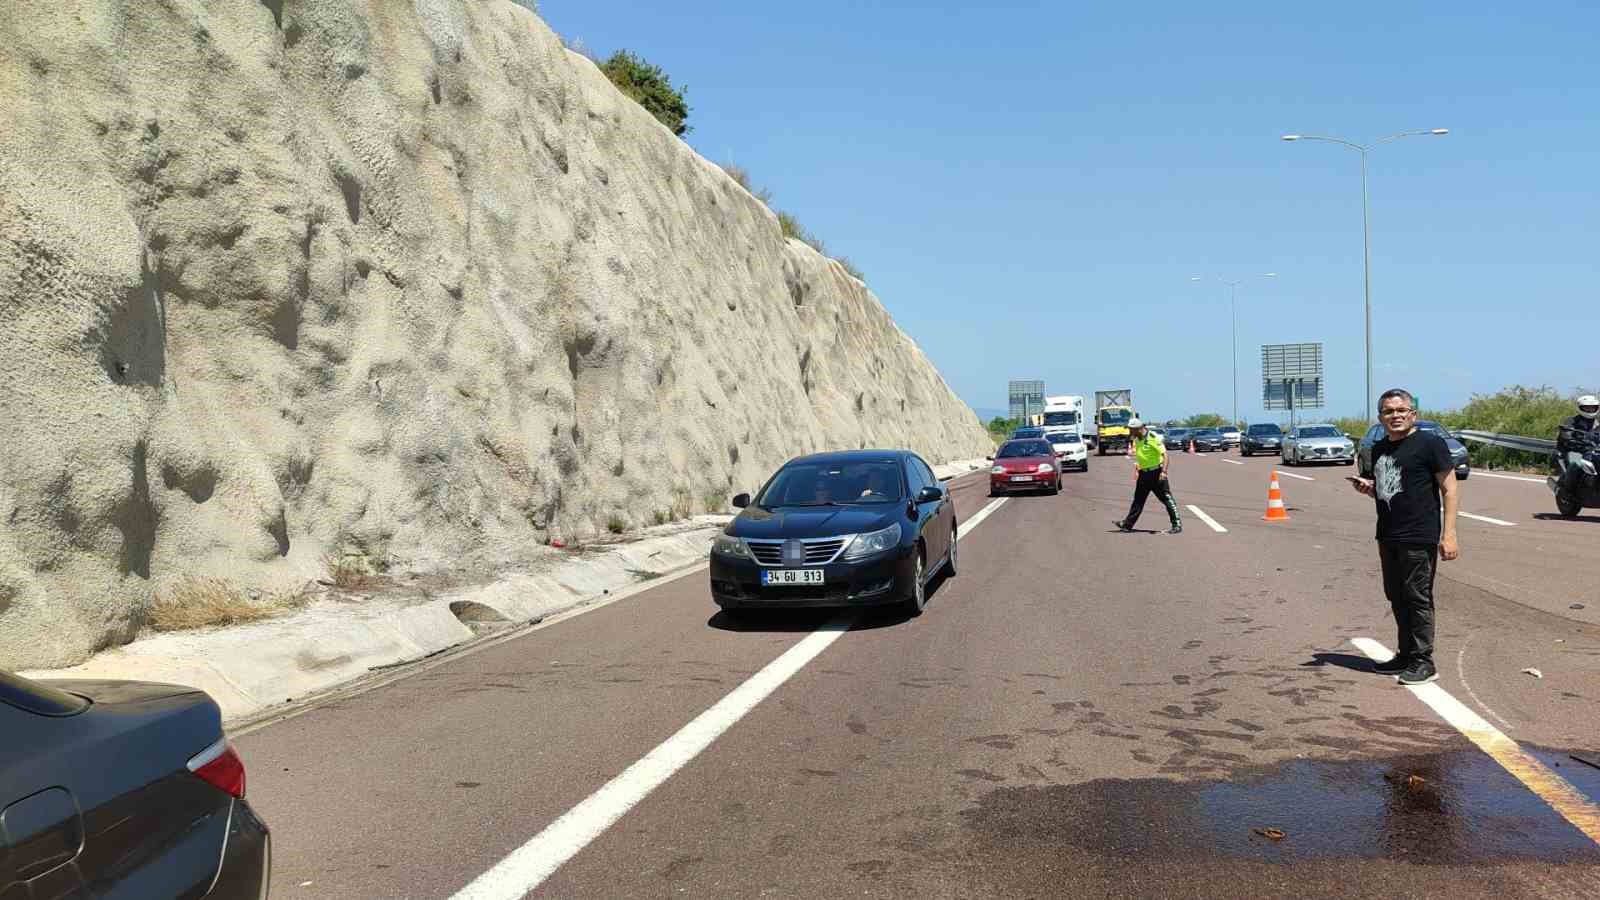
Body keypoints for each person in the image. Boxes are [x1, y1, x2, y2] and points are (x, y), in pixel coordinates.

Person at [1347, 388, 1460, 685]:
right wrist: (1368, 489)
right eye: (1388, 411)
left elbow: (1450, 489)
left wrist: (1449, 534)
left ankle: (1424, 661)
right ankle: (1406, 654)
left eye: (1401, 410)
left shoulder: (1430, 444)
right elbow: (1386, 490)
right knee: (1396, 595)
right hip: (1388, 534)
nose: (1395, 416)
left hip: (1419, 534)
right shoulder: (1380, 448)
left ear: (1413, 414)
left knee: (1417, 597)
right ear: (1380, 417)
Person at [1115, 418, 1182, 534]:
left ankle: (1176, 525)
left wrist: (1164, 472)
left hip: (1156, 473)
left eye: (1131, 429)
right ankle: (1127, 525)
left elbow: (1165, 455)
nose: (1130, 431)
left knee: (1166, 499)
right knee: (1138, 501)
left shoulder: (1153, 437)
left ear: (1139, 428)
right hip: (1143, 474)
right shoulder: (1137, 438)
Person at [1554, 394, 1600, 501]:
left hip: (1591, 450)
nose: (1590, 409)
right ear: (1580, 408)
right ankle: (1567, 491)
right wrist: (1569, 438)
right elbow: (1565, 434)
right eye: (1587, 407)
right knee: (1576, 465)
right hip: (1574, 450)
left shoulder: (1597, 424)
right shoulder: (1571, 421)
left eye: (1593, 407)